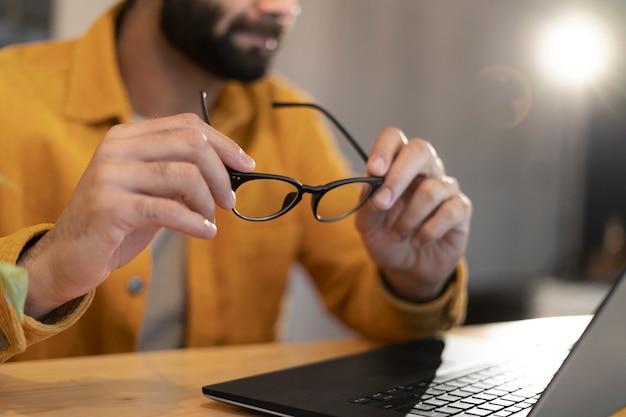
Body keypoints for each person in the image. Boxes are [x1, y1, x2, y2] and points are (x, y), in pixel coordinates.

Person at [0, 0, 472, 363]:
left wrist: (414, 279)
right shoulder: (10, 96)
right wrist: (42, 276)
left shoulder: (289, 123)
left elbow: (370, 303)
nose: (282, 8)